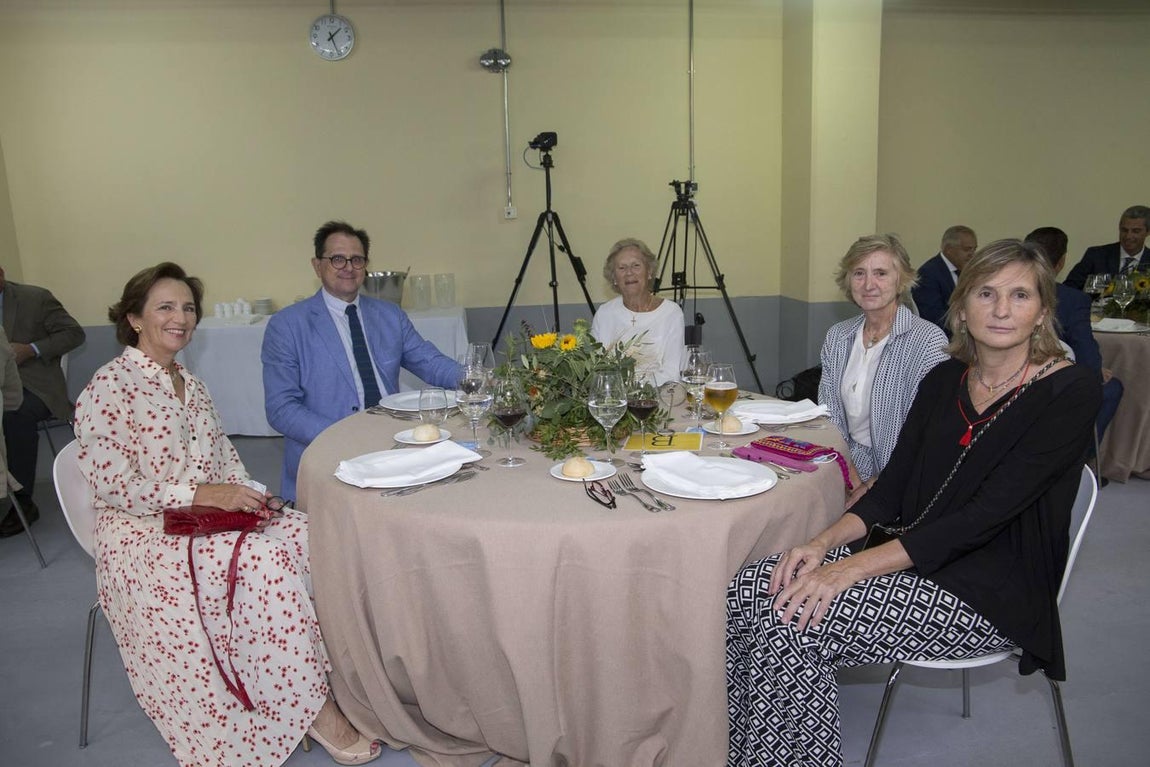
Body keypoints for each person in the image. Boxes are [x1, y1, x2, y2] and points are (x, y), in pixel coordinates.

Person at [727, 239, 1101, 767]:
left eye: (1020, 295)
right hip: (910, 552)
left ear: (1042, 311)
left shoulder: (1070, 391)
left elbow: (982, 519)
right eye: (986, 293)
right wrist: (820, 543)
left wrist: (847, 571)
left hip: (990, 585)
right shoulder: (946, 379)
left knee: (791, 618)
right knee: (749, 586)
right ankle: (750, 753)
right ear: (962, 305)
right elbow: (893, 486)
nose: (1000, 310)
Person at [75, 263, 382, 767]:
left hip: (200, 515)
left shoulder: (190, 386)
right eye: (166, 307)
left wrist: (256, 497)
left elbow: (226, 462)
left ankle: (334, 680)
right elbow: (115, 486)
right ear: (133, 318)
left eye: (189, 308)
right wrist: (200, 493)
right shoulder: (111, 386)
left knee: (313, 534)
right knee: (263, 562)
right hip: (141, 532)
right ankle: (317, 711)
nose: (181, 318)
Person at [262, 220, 461, 499]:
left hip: (392, 440)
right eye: (337, 259)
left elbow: (430, 362)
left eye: (357, 260)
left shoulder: (389, 315)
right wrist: (344, 435)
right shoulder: (288, 326)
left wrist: (478, 379)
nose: (348, 267)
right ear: (317, 265)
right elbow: (281, 409)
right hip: (329, 452)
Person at [819, 234, 949, 493]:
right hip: (842, 464)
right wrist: (848, 470)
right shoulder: (838, 335)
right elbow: (828, 412)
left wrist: (873, 486)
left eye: (880, 273)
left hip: (901, 476)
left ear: (901, 280)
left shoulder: (928, 341)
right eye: (859, 273)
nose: (869, 284)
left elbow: (927, 434)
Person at [0, 265, 86, 537]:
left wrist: (32, 349)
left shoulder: (34, 298)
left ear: (1, 274)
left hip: (35, 384)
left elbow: (74, 333)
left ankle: (23, 502)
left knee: (14, 414)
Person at [1025, 226, 1123, 448]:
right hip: (1049, 385)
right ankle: (1078, 458)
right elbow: (1087, 358)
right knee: (1110, 388)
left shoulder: (1001, 289)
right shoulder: (1071, 299)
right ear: (1061, 262)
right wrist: (1094, 370)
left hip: (998, 380)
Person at [590, 238, 685, 385]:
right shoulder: (604, 314)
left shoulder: (671, 313)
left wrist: (634, 389)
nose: (629, 273)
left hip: (659, 398)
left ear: (649, 272)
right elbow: (595, 367)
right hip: (614, 399)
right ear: (614, 278)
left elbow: (672, 372)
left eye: (636, 265)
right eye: (621, 268)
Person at [1063, 205, 1150, 290]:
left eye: (1136, 231)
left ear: (1147, 232)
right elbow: (1069, 288)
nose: (1128, 236)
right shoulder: (1096, 255)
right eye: (1124, 230)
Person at [911, 225, 978, 330]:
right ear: (948, 250)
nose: (972, 254)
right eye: (967, 249)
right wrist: (965, 330)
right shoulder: (928, 274)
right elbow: (933, 317)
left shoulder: (966, 271)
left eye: (974, 249)